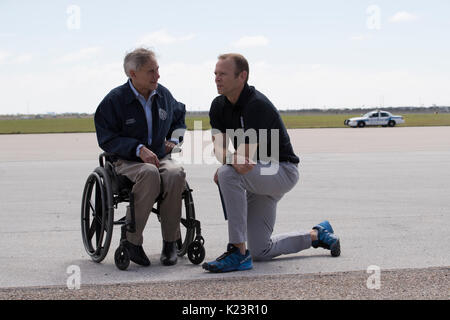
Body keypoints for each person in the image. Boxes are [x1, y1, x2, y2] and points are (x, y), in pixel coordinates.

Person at [202, 53, 341, 273]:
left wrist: (228, 162)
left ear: (242, 76)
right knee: (260, 250)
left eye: (223, 74)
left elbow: (244, 158)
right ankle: (317, 235)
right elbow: (220, 151)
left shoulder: (257, 105)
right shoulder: (218, 105)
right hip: (257, 175)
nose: (217, 79)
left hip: (281, 171)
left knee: (227, 174)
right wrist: (228, 160)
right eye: (215, 74)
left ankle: (237, 252)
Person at [94, 48, 187, 267]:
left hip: (159, 156)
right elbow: (107, 138)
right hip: (126, 160)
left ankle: (170, 243)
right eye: (150, 71)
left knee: (175, 173)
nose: (157, 76)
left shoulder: (163, 94)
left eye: (157, 70)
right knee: (149, 173)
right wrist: (137, 149)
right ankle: (132, 242)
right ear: (133, 74)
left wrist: (174, 140)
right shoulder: (114, 101)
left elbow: (179, 117)